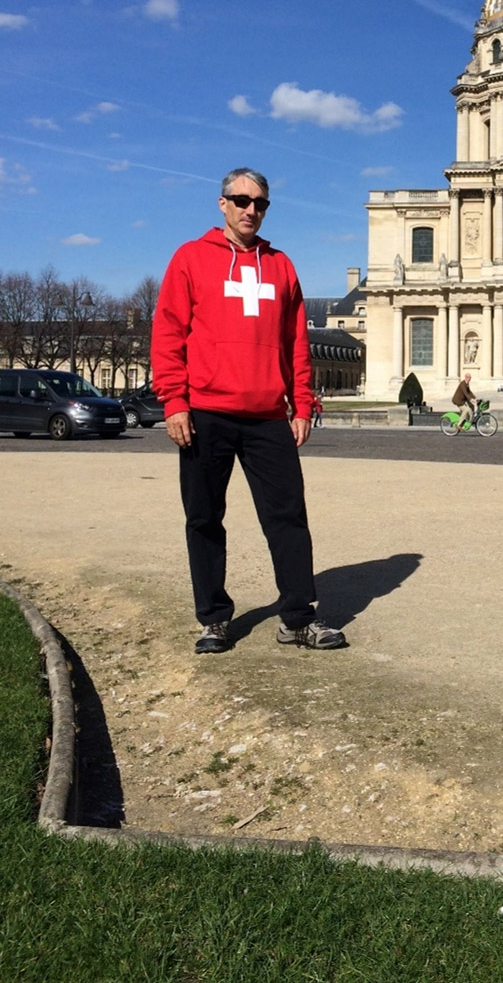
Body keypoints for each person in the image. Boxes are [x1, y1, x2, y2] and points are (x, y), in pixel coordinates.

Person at [151, 168, 346, 655]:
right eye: (240, 200)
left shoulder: (280, 266)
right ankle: (214, 619)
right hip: (206, 412)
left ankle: (299, 617)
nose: (250, 210)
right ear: (222, 204)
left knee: (288, 517)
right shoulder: (190, 259)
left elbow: (296, 343)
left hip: (266, 416)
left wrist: (302, 402)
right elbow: (168, 334)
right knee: (203, 518)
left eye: (259, 203)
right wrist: (174, 401)